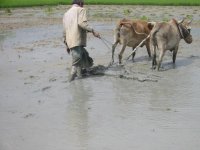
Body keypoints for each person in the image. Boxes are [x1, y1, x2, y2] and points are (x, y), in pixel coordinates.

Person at [63, 0, 100, 82]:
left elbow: (64, 30)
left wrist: (66, 44)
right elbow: (82, 24)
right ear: (80, 3)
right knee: (77, 60)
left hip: (70, 41)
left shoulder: (66, 14)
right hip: (77, 39)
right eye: (83, 4)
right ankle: (70, 80)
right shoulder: (81, 10)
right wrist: (93, 31)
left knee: (82, 57)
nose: (83, 6)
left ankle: (80, 79)